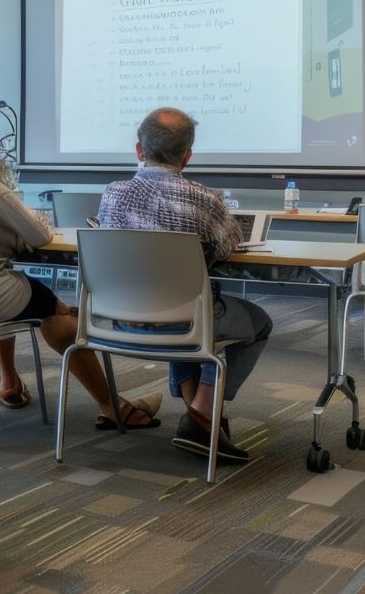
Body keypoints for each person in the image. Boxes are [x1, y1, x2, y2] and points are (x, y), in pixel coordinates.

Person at [0, 107, 161, 429]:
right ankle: (111, 404)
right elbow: (40, 235)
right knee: (54, 317)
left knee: (22, 289)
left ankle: (10, 381)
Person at [97, 107, 273, 463]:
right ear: (187, 156)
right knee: (257, 322)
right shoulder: (206, 199)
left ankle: (195, 413)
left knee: (186, 302)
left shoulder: (112, 195)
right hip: (185, 322)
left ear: (138, 150)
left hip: (118, 321)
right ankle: (205, 411)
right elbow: (228, 246)